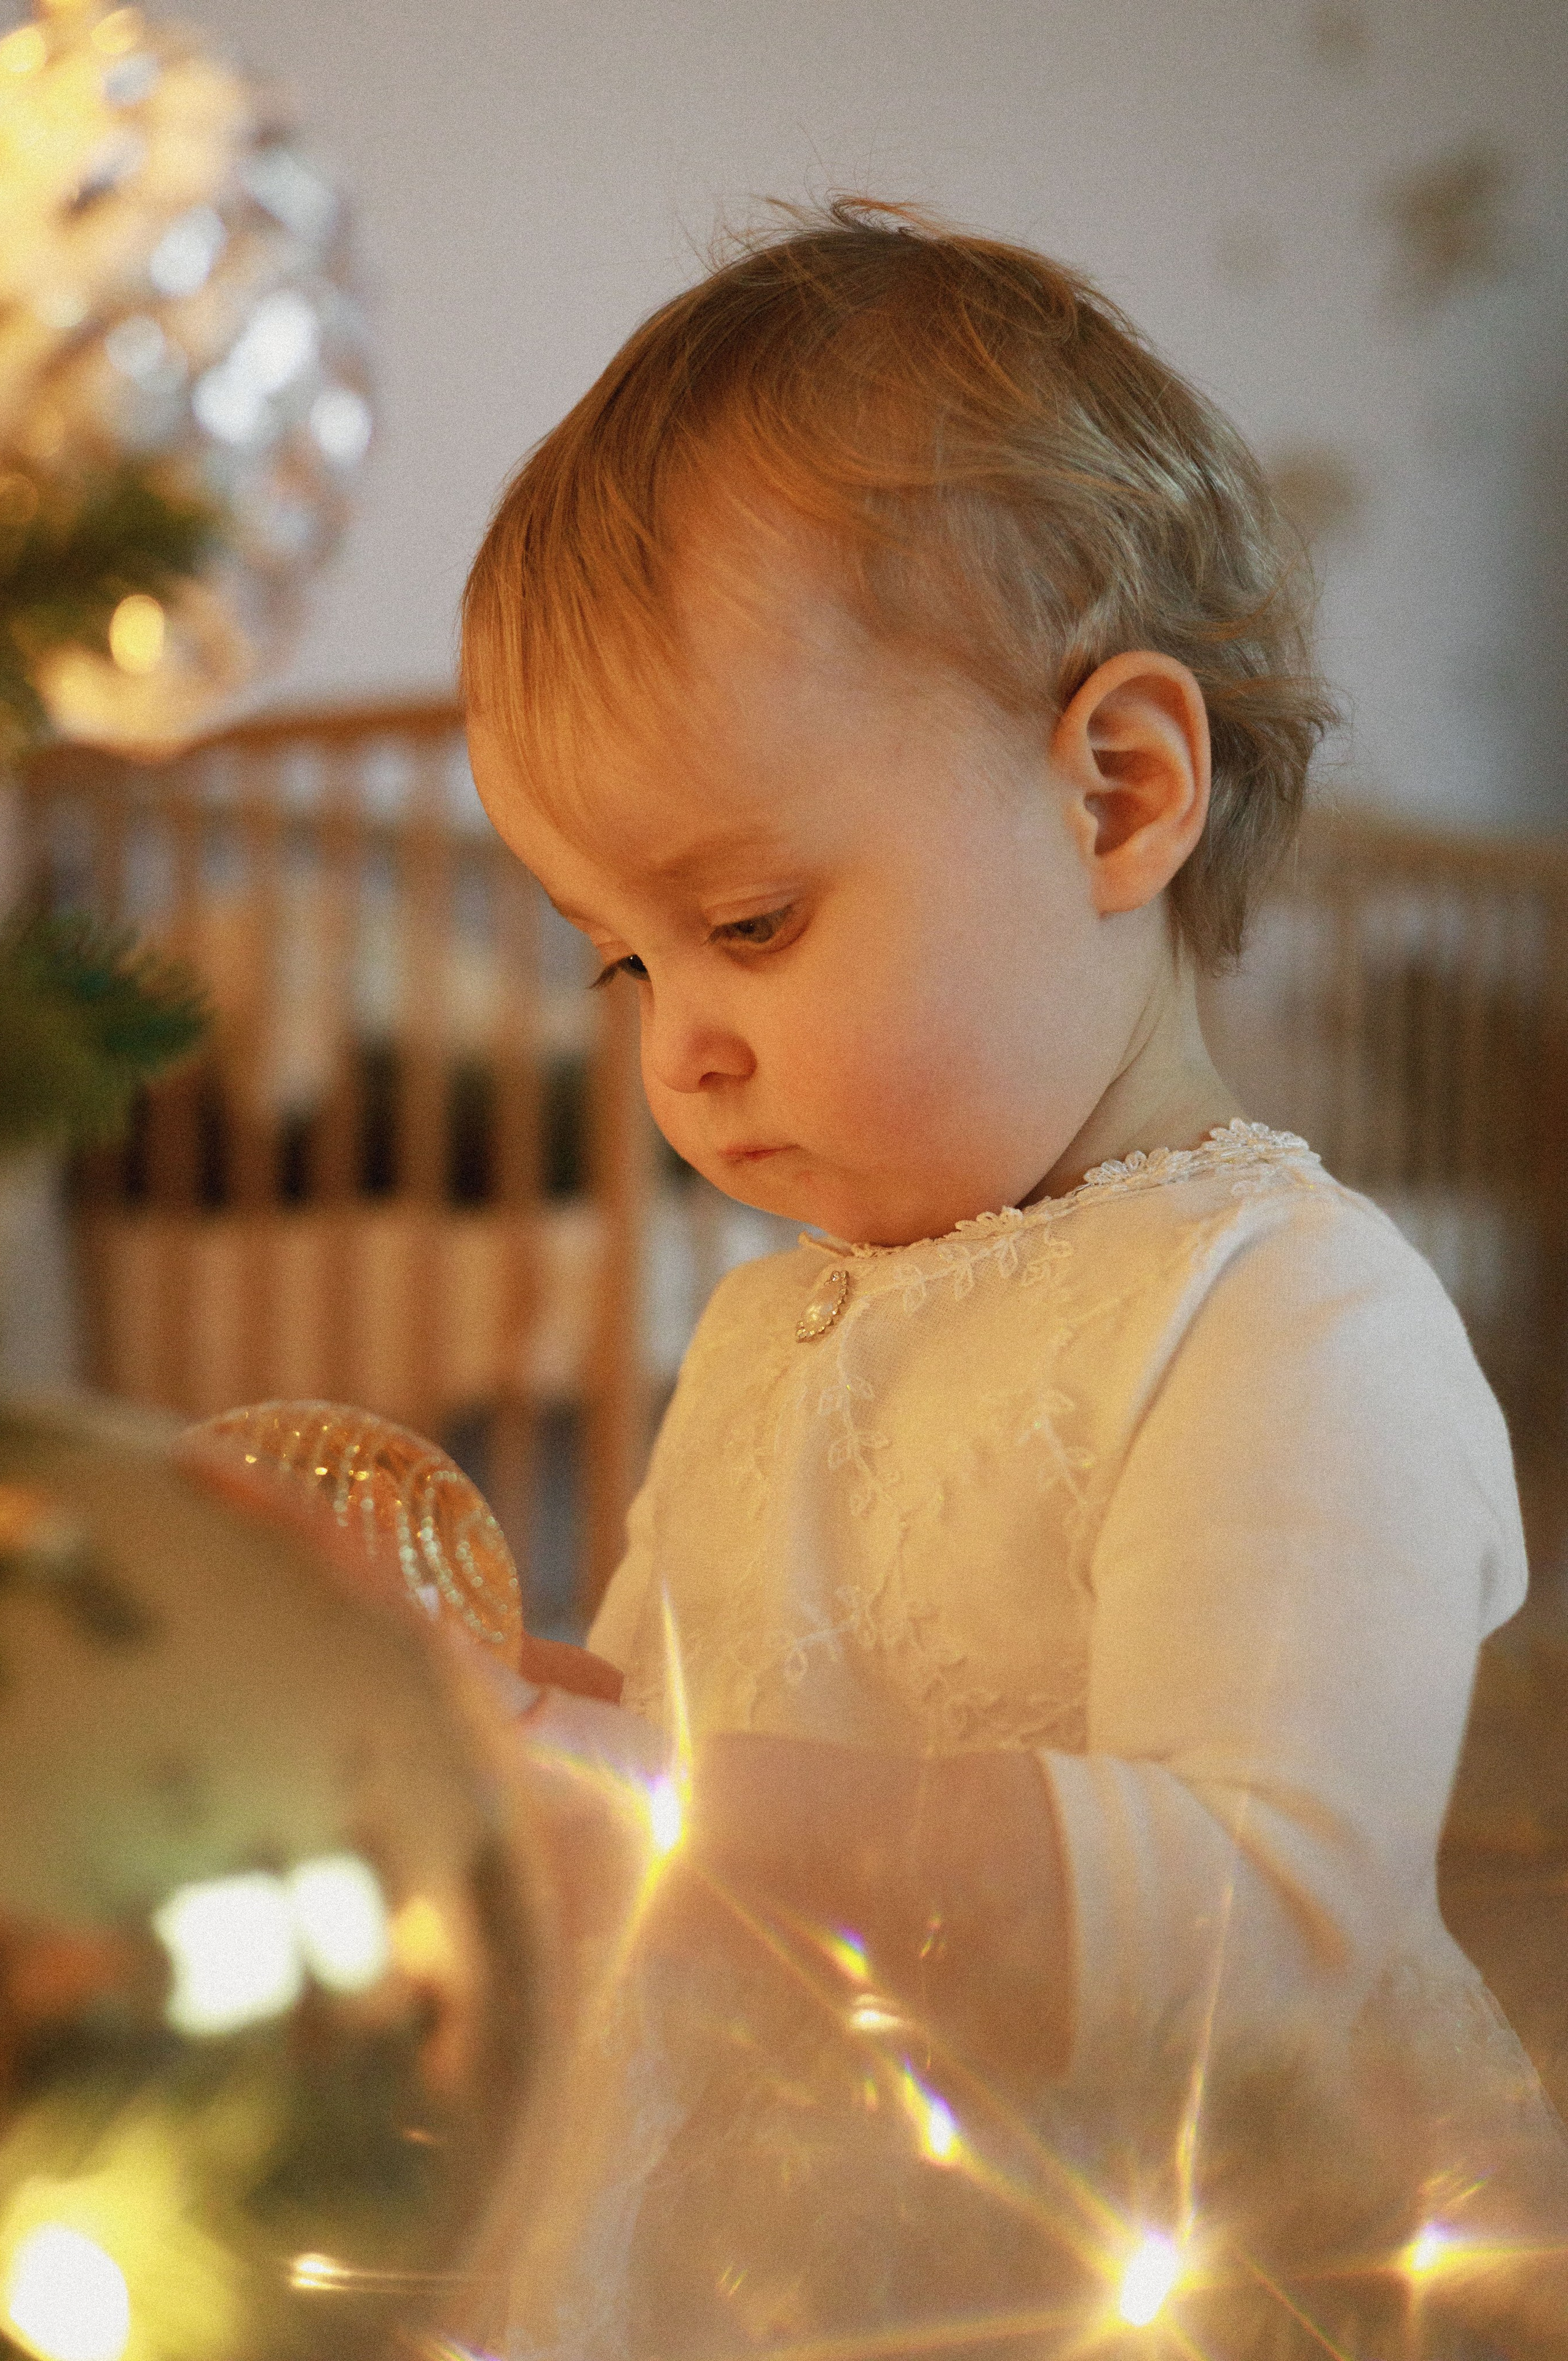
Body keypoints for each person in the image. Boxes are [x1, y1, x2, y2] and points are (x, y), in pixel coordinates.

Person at [462, 202, 1567, 2357]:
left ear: (1118, 795)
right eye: (624, 961)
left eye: (748, 924)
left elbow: (1272, 1927)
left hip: (1152, 2274)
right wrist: (475, 1717)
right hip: (781, 2263)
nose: (677, 1047)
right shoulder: (769, 1333)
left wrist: (641, 1803)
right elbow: (674, 1741)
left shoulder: (1287, 1317)